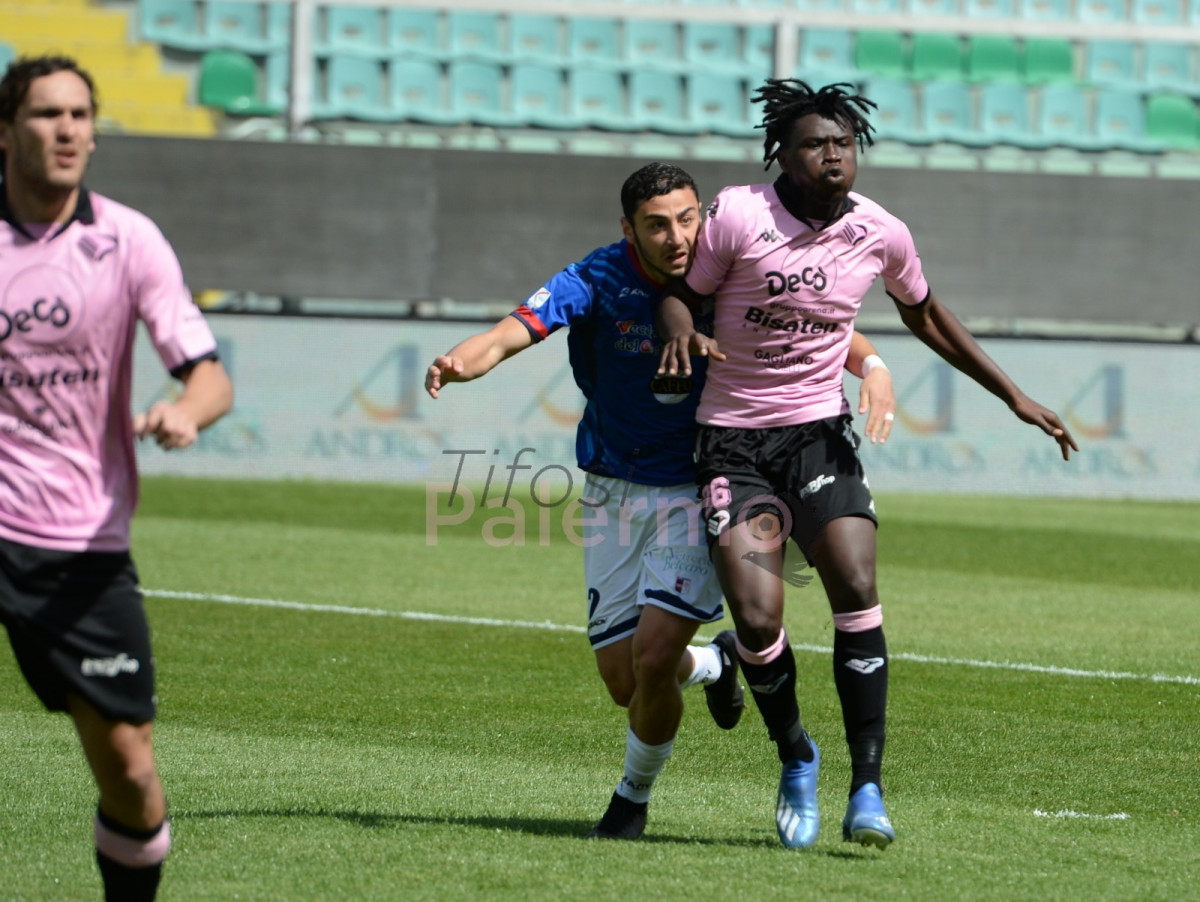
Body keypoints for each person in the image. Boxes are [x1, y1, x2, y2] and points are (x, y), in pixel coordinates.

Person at [657, 80, 1078, 851]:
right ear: (783, 155)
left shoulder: (881, 231)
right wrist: (680, 331)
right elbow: (681, 294)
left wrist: (1013, 395)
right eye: (815, 144)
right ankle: (796, 754)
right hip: (733, 442)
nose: (832, 156)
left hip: (818, 436)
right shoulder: (740, 214)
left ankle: (868, 788)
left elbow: (926, 314)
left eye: (843, 144)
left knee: (854, 582)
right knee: (757, 618)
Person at [425, 162, 896, 840]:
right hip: (611, 489)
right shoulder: (596, 278)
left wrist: (873, 365)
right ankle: (716, 662)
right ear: (629, 229)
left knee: (650, 661)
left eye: (685, 219)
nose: (676, 237)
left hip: (701, 483)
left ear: (702, 214)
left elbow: (819, 326)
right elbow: (508, 332)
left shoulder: (730, 264)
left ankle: (631, 799)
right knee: (626, 681)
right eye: (656, 225)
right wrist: (458, 363)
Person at [0, 56, 233, 900]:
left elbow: (209, 376)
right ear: (5, 132)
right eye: (45, 114)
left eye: (79, 115)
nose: (66, 130)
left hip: (79, 541)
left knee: (131, 772)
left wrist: (187, 412)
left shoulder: (128, 239)